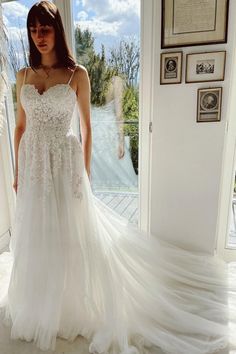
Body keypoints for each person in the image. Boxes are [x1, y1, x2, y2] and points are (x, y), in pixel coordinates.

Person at [0, 2, 235, 354]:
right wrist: (18, 171)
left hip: (64, 164)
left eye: (45, 28)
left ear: (57, 31)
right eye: (33, 29)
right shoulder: (22, 75)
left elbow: (87, 128)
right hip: (33, 164)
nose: (39, 36)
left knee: (69, 231)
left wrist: (85, 172)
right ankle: (40, 302)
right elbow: (19, 128)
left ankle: (71, 304)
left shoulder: (76, 73)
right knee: (38, 231)